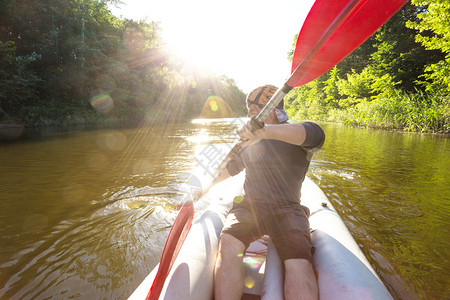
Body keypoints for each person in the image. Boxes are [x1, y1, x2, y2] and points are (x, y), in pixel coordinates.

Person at [213, 84, 325, 300]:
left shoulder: (297, 133)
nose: (248, 115)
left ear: (271, 110)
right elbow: (228, 168)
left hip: (288, 209)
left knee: (298, 261)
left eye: (253, 110)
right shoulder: (248, 140)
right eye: (248, 111)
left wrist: (265, 132)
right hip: (250, 206)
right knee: (228, 242)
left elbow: (316, 135)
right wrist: (200, 190)